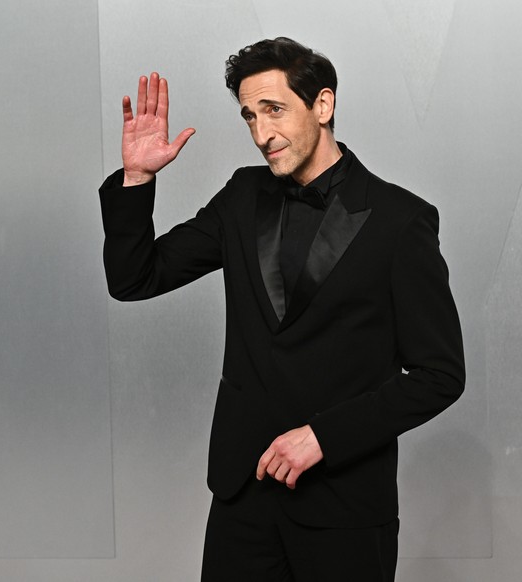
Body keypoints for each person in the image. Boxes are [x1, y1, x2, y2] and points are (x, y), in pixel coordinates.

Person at [99, 37, 465, 582]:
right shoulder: (243, 195)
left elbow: (440, 376)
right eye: (250, 116)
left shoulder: (400, 220)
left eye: (274, 109)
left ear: (323, 105)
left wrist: (323, 437)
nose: (261, 133)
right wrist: (137, 179)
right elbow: (135, 278)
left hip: (343, 508)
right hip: (243, 499)